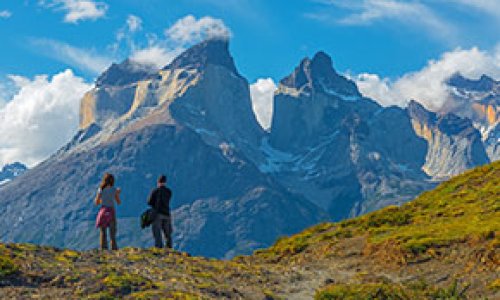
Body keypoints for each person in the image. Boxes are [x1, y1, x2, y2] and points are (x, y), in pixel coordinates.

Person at [95, 173, 121, 250]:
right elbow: (118, 202)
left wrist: (102, 201)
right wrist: (117, 193)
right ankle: (114, 248)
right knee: (112, 232)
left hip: (103, 210)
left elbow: (96, 202)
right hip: (111, 211)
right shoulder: (114, 190)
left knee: (103, 232)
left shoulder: (101, 190)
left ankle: (103, 248)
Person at [147, 174, 173, 248]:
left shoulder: (155, 191)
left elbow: (149, 202)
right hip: (167, 214)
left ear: (158, 182)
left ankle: (159, 248)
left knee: (157, 232)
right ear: (165, 182)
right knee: (167, 233)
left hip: (158, 214)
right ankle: (169, 248)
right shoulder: (169, 191)